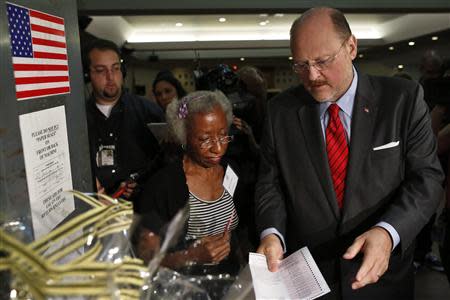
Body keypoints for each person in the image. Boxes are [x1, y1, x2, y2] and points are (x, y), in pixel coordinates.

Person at [255, 7, 443, 300]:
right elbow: (270, 183)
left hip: (381, 279)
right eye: (300, 65)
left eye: (322, 61)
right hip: (310, 280)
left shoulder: (402, 99)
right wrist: (271, 233)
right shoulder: (281, 111)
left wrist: (387, 232)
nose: (312, 75)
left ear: (351, 46)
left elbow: (427, 179)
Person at [135, 90, 245, 276]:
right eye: (204, 139)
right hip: (185, 289)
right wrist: (191, 255)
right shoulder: (162, 187)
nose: (218, 148)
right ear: (183, 136)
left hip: (232, 283)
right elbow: (145, 259)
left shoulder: (231, 170)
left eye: (223, 135)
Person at [83, 39, 163, 199]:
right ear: (87, 75)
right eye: (100, 70)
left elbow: (166, 162)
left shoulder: (149, 111)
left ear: (123, 71)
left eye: (116, 69)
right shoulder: (78, 119)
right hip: (97, 214)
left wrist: (144, 184)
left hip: (143, 211)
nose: (110, 77)